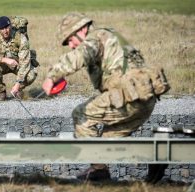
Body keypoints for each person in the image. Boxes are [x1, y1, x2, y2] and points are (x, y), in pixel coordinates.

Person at [42, 12, 170, 181]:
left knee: (81, 115)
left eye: (70, 40)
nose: (71, 45)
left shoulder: (96, 37)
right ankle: (156, 155)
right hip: (146, 99)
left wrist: (52, 76)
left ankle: (99, 170)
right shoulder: (110, 36)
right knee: (107, 140)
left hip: (129, 95)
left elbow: (81, 54)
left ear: (81, 30)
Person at [0, 16, 38, 100]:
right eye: (2, 29)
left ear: (10, 26)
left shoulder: (20, 37)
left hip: (18, 64)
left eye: (7, 27)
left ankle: (18, 90)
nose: (5, 31)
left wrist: (18, 84)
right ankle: (1, 92)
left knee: (32, 74)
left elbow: (25, 62)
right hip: (2, 65)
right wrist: (5, 60)